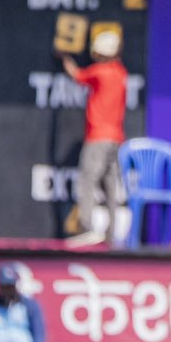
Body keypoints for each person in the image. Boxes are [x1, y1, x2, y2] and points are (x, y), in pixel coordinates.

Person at [60, 31, 128, 246]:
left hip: (98, 137)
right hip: (116, 139)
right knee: (110, 187)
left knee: (87, 181)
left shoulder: (100, 72)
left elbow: (76, 75)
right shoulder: (121, 72)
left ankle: (88, 228)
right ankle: (111, 235)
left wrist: (64, 57)